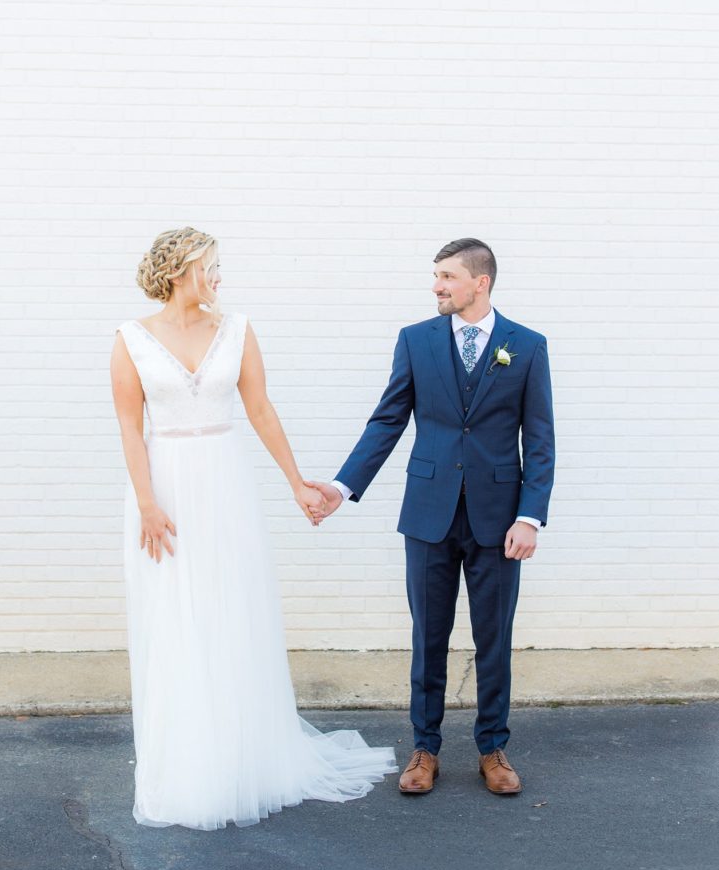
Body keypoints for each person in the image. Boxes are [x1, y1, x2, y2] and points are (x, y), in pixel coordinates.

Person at [110, 226, 396, 830]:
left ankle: (244, 755)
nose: (219, 277)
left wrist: (297, 482)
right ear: (184, 269)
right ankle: (189, 764)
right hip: (164, 492)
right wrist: (147, 504)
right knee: (176, 617)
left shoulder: (237, 330)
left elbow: (260, 409)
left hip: (224, 485)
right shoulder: (131, 340)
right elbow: (131, 429)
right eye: (212, 266)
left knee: (230, 610)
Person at [309, 238, 554, 797]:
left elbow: (540, 441)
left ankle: (492, 747)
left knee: (494, 638)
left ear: (480, 282)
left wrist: (530, 517)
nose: (437, 286)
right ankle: (425, 748)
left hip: (498, 519)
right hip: (427, 514)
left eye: (447, 276)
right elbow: (387, 419)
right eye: (435, 276)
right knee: (428, 637)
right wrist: (343, 487)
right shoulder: (416, 340)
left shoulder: (528, 346)